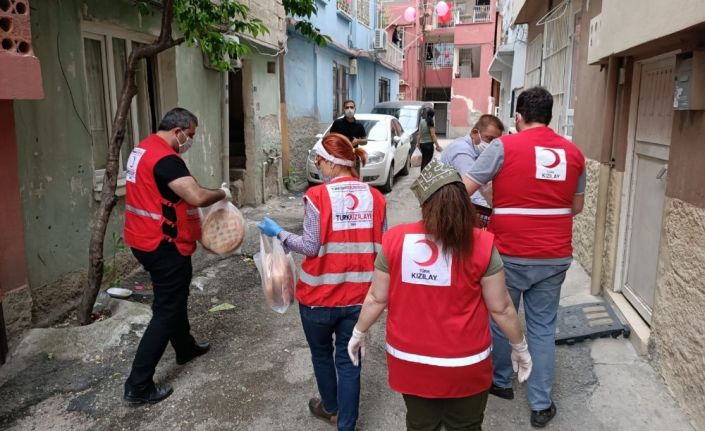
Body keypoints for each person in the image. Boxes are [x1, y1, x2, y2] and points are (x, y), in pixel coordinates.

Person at [347, 159, 532, 431]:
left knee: (421, 424)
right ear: (463, 202)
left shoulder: (395, 241)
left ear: (424, 204)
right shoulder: (481, 244)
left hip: (411, 361)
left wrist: (358, 332)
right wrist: (520, 347)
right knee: (467, 425)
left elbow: (377, 298)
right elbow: (502, 308)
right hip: (467, 363)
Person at [463, 87, 586, 428]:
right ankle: (541, 403)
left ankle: (500, 382)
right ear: (550, 116)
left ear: (518, 117)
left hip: (509, 252)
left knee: (502, 315)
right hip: (555, 253)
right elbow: (576, 207)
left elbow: (464, 187)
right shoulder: (574, 154)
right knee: (543, 327)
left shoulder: (503, 146)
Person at [257, 133, 387, 431]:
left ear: (331, 162)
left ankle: (330, 407)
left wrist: (279, 234)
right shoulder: (377, 198)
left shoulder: (317, 197)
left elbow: (311, 246)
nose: (319, 167)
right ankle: (347, 425)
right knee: (350, 359)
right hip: (360, 299)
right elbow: (383, 249)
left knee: (321, 354)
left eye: (320, 161)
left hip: (318, 298)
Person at [122, 108, 231, 405]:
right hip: (163, 243)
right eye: (191, 135)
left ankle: (184, 347)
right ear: (178, 130)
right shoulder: (166, 160)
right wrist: (221, 194)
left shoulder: (141, 149)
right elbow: (195, 196)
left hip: (141, 237)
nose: (190, 140)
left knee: (174, 296)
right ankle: (138, 386)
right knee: (167, 309)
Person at [440, 114, 504, 210]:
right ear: (475, 133)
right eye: (489, 139)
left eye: (495, 142)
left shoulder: (473, 150)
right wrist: (488, 210)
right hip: (447, 206)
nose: (492, 145)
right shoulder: (462, 152)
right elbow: (472, 191)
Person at [416, 107, 442, 171]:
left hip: (422, 145)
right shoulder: (430, 122)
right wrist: (437, 146)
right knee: (427, 162)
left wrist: (418, 144)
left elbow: (419, 134)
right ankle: (425, 176)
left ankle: (421, 176)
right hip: (429, 145)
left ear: (427, 114)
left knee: (424, 160)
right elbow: (433, 135)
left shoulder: (422, 121)